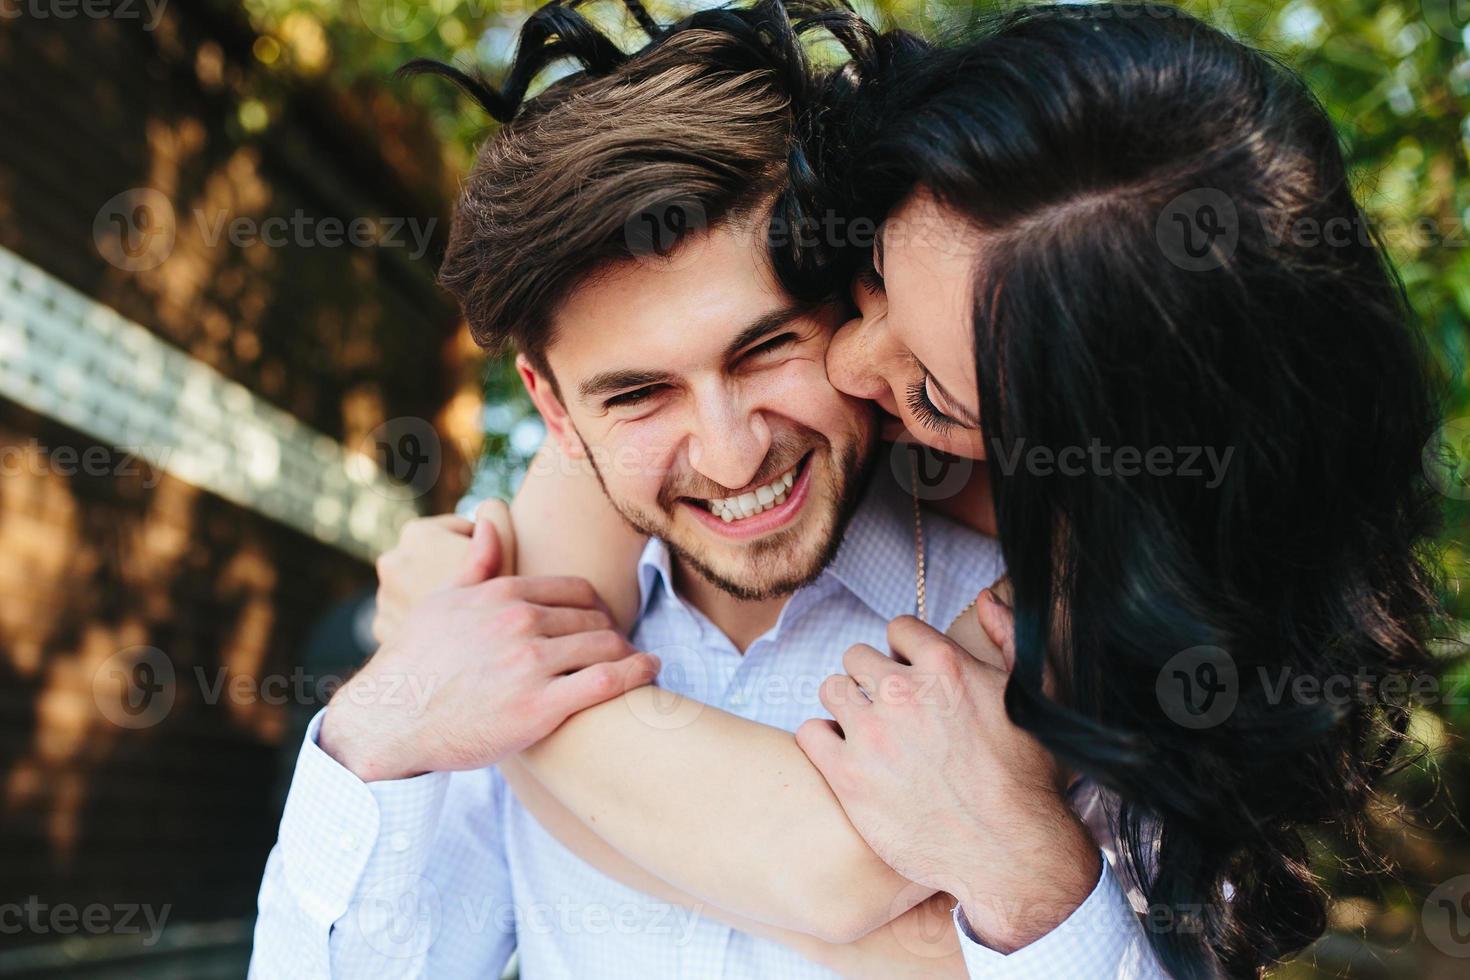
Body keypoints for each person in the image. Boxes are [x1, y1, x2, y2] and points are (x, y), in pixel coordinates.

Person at [371, 2, 1444, 979]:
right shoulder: (606, 484)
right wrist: (444, 667)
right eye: (868, 286)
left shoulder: (1117, 608)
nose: (851, 363)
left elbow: (831, 859)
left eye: (930, 388)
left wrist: (501, 703)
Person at [250, 2, 1157, 978]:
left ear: (854, 303)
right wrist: (373, 729)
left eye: (765, 347)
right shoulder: (490, 642)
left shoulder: (1058, 617)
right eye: (639, 394)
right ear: (553, 411)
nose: (730, 457)